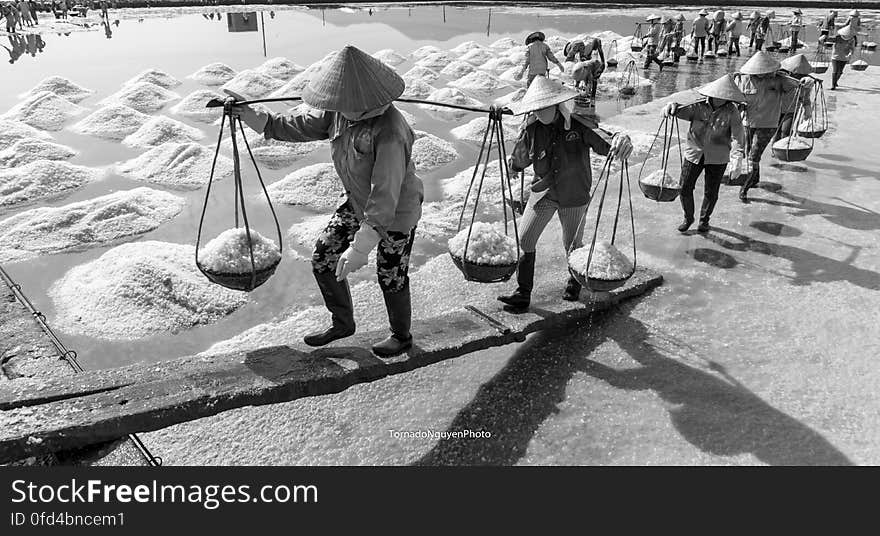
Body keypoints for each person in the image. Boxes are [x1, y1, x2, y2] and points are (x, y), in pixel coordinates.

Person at [226, 46, 423, 357]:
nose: (336, 110)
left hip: (396, 212)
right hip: (356, 202)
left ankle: (401, 336)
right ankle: (343, 321)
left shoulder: (391, 131)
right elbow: (301, 125)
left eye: (344, 106)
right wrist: (255, 118)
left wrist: (361, 247)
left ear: (366, 102)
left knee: (390, 273)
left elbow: (385, 193)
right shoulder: (340, 112)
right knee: (323, 256)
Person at [497, 77, 633, 310]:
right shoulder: (531, 129)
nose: (539, 112)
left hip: (574, 194)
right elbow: (521, 155)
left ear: (556, 104)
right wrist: (513, 168)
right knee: (525, 238)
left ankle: (574, 281)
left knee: (572, 244)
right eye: (535, 108)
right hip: (543, 193)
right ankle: (523, 292)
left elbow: (605, 140)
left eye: (543, 107)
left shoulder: (578, 124)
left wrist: (620, 139)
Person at [662, 74, 746, 233]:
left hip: (718, 157)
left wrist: (737, 157)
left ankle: (704, 220)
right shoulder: (698, 106)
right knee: (685, 188)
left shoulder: (732, 111)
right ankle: (688, 217)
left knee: (711, 191)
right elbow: (679, 110)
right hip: (694, 154)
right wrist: (671, 106)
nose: (721, 99)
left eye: (725, 97)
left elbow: (737, 136)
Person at [733, 51, 804, 201]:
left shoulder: (779, 80)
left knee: (754, 155)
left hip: (768, 123)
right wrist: (740, 105)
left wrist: (803, 83)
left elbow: (799, 85)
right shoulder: (744, 80)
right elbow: (737, 99)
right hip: (747, 122)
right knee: (747, 153)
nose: (761, 74)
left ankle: (744, 188)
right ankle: (754, 178)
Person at [775, 54, 814, 142]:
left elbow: (805, 98)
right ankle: (775, 147)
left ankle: (783, 148)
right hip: (776, 109)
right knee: (776, 130)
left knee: (786, 131)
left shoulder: (805, 83)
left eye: (802, 75)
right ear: (790, 72)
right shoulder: (781, 78)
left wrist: (807, 111)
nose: (800, 77)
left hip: (791, 110)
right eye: (798, 75)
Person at [828, 24, 857, 90]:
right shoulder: (837, 37)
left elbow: (852, 48)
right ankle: (833, 85)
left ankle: (835, 82)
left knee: (840, 72)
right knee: (835, 71)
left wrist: (850, 53)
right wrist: (824, 37)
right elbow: (829, 39)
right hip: (835, 56)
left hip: (844, 57)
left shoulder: (851, 39)